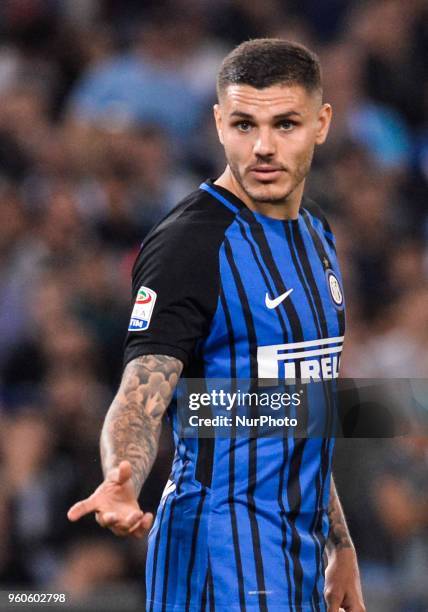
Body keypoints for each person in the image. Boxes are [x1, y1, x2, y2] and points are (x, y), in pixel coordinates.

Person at [68, 39, 366, 612]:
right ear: (217, 124)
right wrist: (122, 477)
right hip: (217, 559)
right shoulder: (189, 245)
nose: (262, 147)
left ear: (322, 123)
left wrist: (340, 543)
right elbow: (140, 393)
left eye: (285, 124)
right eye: (243, 124)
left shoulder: (317, 234)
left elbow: (299, 406)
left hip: (297, 557)